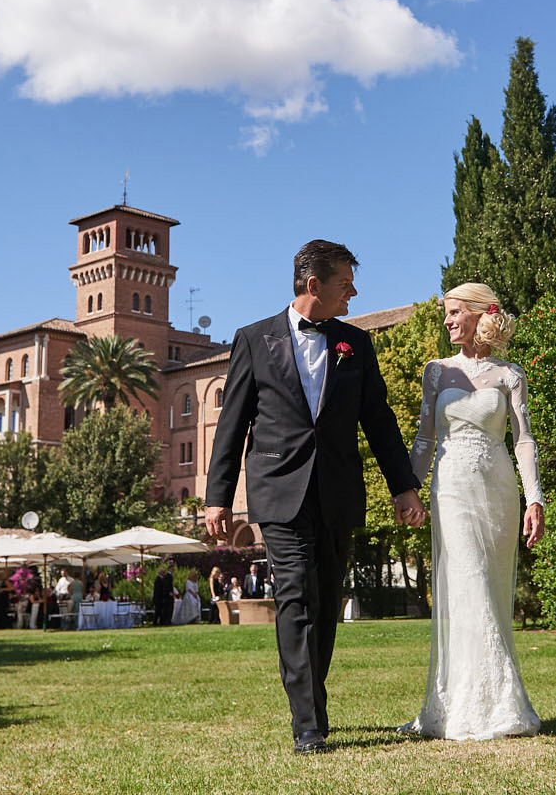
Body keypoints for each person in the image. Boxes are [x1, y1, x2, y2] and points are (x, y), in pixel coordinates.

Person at [204, 239, 427, 755]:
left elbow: (379, 420)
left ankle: (312, 703)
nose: (354, 292)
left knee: (324, 604)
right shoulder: (253, 339)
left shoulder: (356, 344)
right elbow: (232, 424)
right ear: (313, 284)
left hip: (337, 491)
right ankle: (307, 725)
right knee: (297, 596)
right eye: (345, 283)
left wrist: (403, 486)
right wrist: (218, 497)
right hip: (278, 491)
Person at [400, 282, 544, 740]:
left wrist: (535, 498)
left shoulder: (510, 375)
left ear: (481, 315)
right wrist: (407, 490)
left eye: (454, 312)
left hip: (499, 489)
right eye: (446, 313)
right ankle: (473, 707)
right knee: (469, 582)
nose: (447, 321)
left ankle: (487, 704)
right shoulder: (437, 372)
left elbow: (523, 440)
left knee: (491, 590)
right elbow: (424, 439)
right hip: (452, 488)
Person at [152, 563, 175, 628]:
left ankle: (161, 622)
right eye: (163, 572)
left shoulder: (162, 579)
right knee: (158, 611)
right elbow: (159, 590)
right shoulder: (158, 579)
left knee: (160, 610)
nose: (164, 574)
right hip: (158, 598)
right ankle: (155, 622)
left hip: (161, 597)